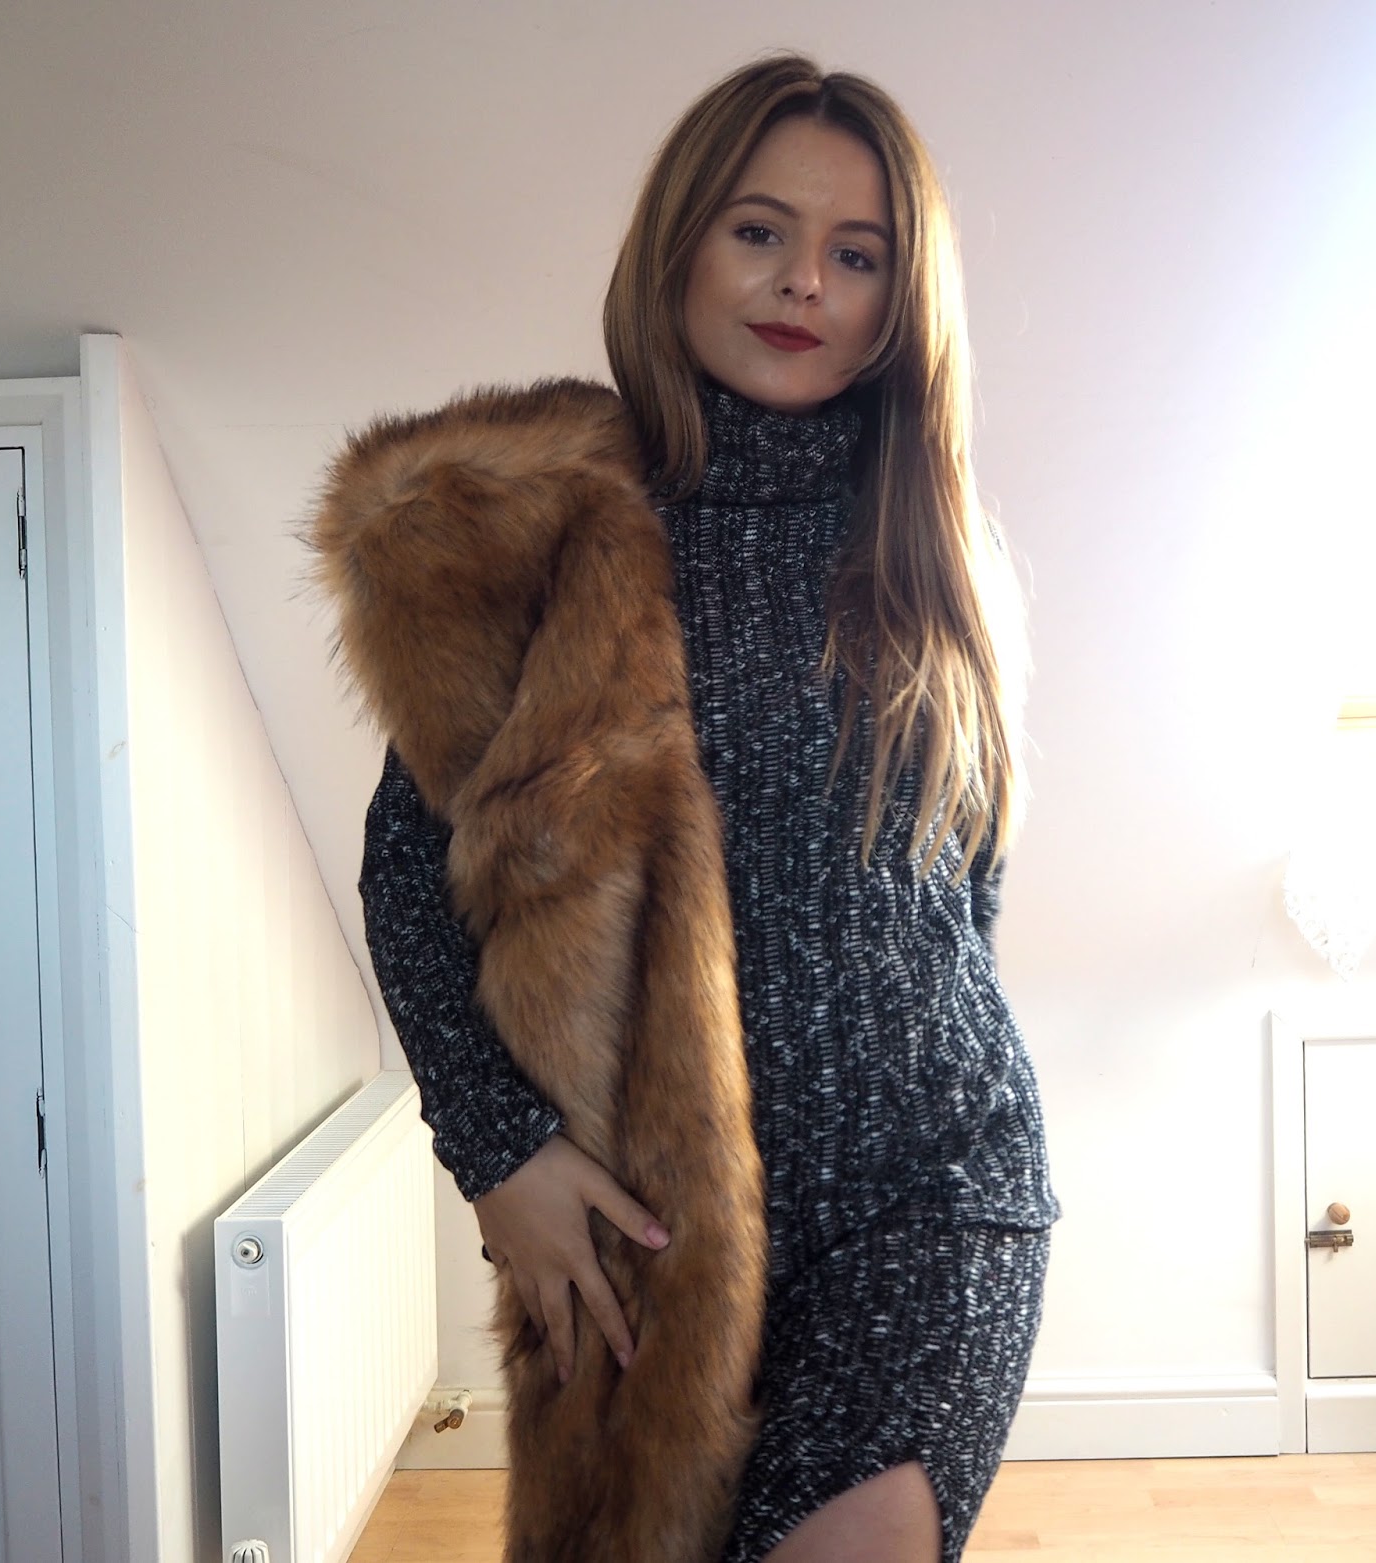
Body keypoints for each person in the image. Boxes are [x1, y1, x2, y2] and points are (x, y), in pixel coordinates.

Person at [354, 53, 1060, 1563]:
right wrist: (498, 1153)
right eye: (759, 231)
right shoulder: (551, 531)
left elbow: (963, 900)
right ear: (677, 243)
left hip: (934, 1190)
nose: (804, 281)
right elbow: (408, 881)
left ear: (900, 298)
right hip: (654, 1240)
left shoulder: (934, 549)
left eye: (857, 254)